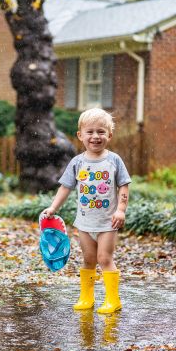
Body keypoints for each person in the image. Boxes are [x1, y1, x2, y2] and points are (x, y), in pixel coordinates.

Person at [42, 108, 131, 314]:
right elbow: (65, 187)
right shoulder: (77, 162)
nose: (95, 136)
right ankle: (86, 297)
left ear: (109, 135)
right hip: (84, 222)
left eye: (101, 132)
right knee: (88, 259)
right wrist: (53, 207)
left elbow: (124, 186)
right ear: (80, 135)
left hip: (108, 222)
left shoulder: (114, 161)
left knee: (104, 258)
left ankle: (113, 299)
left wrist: (121, 210)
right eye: (90, 132)